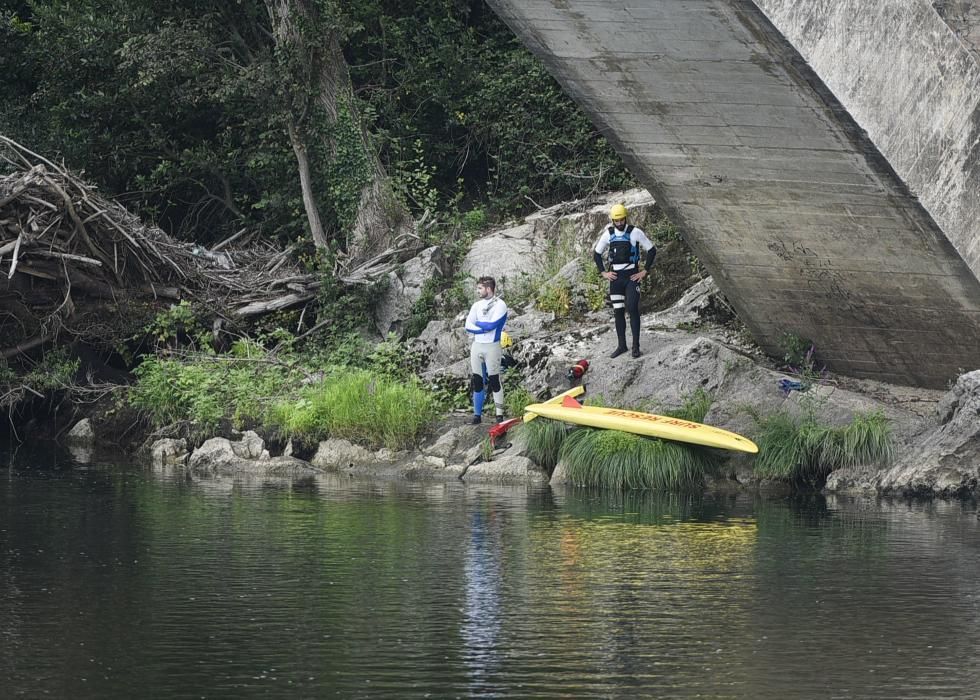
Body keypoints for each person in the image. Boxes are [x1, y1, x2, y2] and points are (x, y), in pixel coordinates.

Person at [593, 203, 657, 358]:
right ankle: (622, 346)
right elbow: (596, 254)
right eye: (617, 221)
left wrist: (645, 271)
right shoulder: (608, 234)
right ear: (613, 220)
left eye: (622, 220)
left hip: (631, 277)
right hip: (615, 278)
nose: (620, 223)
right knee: (618, 311)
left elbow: (651, 250)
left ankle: (636, 347)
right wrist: (603, 272)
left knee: (632, 307)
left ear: (625, 218)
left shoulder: (635, 232)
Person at [464, 276, 508, 424]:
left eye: (480, 288)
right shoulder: (476, 305)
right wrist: (482, 326)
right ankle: (477, 416)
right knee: (477, 381)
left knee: (494, 381)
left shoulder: (500, 305)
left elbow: (492, 326)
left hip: (492, 347)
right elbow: (468, 326)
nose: (478, 291)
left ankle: (499, 415)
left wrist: (478, 324)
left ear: (488, 289)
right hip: (477, 347)